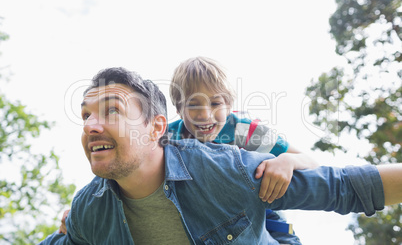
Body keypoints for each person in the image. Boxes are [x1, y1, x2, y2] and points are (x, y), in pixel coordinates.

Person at [41, 67, 402, 244]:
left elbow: (332, 179)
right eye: (85, 114)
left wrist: (287, 161)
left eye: (111, 110)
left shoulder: (242, 139)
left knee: (273, 210)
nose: (90, 125)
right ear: (180, 112)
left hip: (255, 194)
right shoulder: (94, 205)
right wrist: (72, 223)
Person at [168, 56, 319, 243]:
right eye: (193, 104)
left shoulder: (242, 130)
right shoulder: (169, 138)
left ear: (229, 106)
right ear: (179, 108)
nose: (205, 114)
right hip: (207, 218)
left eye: (215, 103)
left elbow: (312, 163)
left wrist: (288, 160)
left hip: (264, 215)